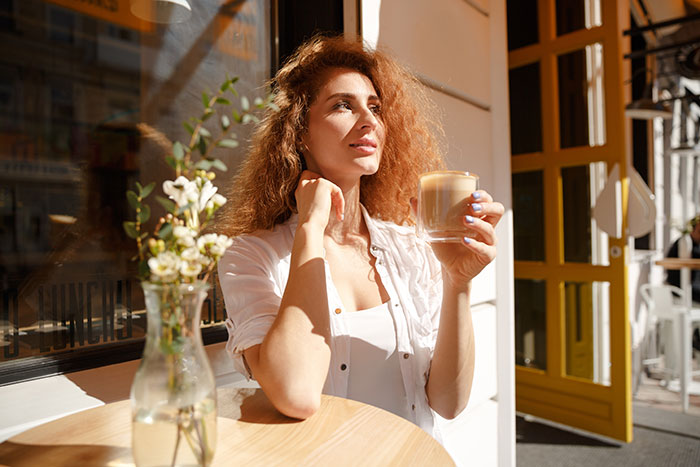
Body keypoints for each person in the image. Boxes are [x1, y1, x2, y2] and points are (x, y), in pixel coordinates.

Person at [216, 35, 503, 442]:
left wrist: (458, 282)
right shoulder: (252, 256)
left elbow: (448, 403)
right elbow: (296, 393)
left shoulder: (410, 248)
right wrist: (311, 230)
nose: (368, 120)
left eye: (375, 107)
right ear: (299, 132)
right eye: (342, 105)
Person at [665, 214, 700, 352]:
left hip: (689, 288)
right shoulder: (685, 243)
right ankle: (696, 339)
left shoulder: (692, 244)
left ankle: (696, 337)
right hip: (681, 290)